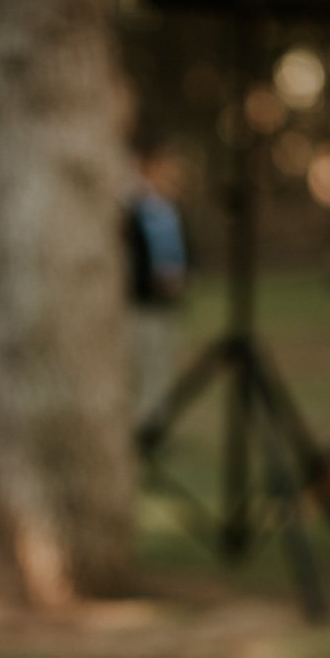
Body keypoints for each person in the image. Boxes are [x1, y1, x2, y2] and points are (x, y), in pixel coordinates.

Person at [126, 138, 189, 444]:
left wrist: (183, 276)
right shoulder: (130, 205)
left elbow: (184, 248)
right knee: (139, 364)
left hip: (167, 302)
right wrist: (148, 279)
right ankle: (137, 428)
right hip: (140, 302)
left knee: (160, 364)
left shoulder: (167, 208)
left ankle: (156, 427)